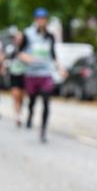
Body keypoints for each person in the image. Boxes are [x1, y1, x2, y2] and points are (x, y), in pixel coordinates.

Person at [18, 9, 63, 143]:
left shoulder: (50, 36)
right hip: (32, 73)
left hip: (46, 73)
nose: (41, 21)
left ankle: (43, 131)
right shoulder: (28, 34)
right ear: (35, 19)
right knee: (32, 99)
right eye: (39, 18)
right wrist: (28, 58)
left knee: (46, 100)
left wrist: (60, 67)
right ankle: (30, 114)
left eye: (44, 18)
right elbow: (20, 52)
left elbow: (53, 54)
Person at [5, 27, 27, 126]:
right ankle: (17, 115)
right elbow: (5, 59)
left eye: (20, 38)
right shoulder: (10, 48)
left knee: (22, 96)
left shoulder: (26, 48)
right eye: (16, 38)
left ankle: (20, 112)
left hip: (24, 74)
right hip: (14, 74)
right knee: (15, 95)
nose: (18, 40)